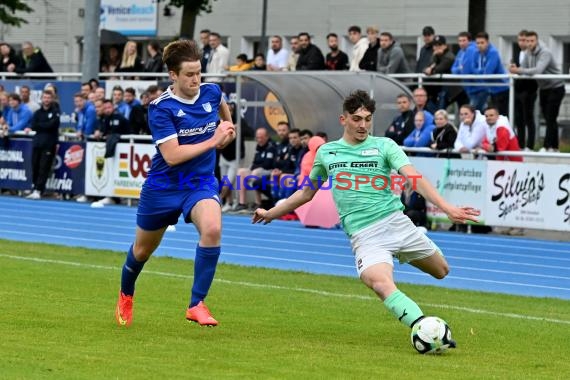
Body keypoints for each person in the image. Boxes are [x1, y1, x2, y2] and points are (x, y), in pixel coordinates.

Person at [252, 90, 479, 343]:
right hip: (365, 236)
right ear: (343, 119)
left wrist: (447, 208)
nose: (363, 125)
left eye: (368, 119)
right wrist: (271, 212)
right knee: (379, 282)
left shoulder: (384, 146)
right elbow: (306, 193)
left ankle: (403, 252)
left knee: (442, 271)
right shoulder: (328, 153)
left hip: (396, 223)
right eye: (357, 119)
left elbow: (413, 177)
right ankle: (422, 327)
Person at [115, 39, 236, 327]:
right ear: (173, 75)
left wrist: (227, 130)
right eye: (189, 74)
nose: (196, 80)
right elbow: (172, 156)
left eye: (199, 73)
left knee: (213, 228)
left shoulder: (211, 91)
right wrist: (213, 141)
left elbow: (223, 110)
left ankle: (196, 304)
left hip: (200, 183)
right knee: (142, 251)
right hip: (163, 186)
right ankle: (126, 293)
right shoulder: (161, 108)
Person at [25, 90, 60, 200]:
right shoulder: (37, 113)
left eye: (48, 98)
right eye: (44, 97)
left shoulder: (55, 112)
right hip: (37, 143)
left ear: (52, 99)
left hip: (49, 144)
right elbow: (34, 125)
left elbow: (52, 125)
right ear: (42, 99)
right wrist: (42, 125)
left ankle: (39, 190)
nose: (46, 100)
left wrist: (41, 126)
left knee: (44, 167)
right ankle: (34, 187)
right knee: (35, 166)